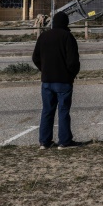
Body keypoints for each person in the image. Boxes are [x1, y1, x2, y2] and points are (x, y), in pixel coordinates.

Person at [32, 11, 82, 149]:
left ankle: (44, 142)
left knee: (47, 111)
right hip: (63, 80)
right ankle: (64, 141)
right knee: (63, 111)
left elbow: (35, 58)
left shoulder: (43, 36)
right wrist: (71, 74)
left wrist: (44, 69)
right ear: (66, 23)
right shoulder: (67, 36)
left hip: (47, 81)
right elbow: (73, 61)